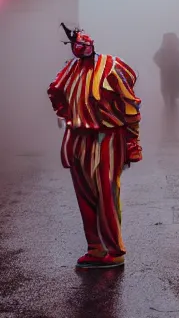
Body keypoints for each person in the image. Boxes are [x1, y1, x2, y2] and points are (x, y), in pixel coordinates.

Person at [48, 23, 143, 269]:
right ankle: (96, 248)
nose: (81, 47)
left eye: (84, 43)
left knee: (106, 191)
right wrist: (68, 116)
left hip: (108, 136)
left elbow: (131, 105)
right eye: (77, 44)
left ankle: (114, 250)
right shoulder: (70, 69)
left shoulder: (112, 66)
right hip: (79, 136)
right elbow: (56, 93)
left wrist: (133, 140)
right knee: (85, 193)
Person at [153, 32, 179, 108]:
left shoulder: (163, 50)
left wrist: (162, 65)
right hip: (175, 72)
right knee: (173, 90)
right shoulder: (176, 49)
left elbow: (155, 58)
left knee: (166, 90)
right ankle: (172, 105)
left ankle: (168, 106)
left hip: (165, 72)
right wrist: (175, 64)